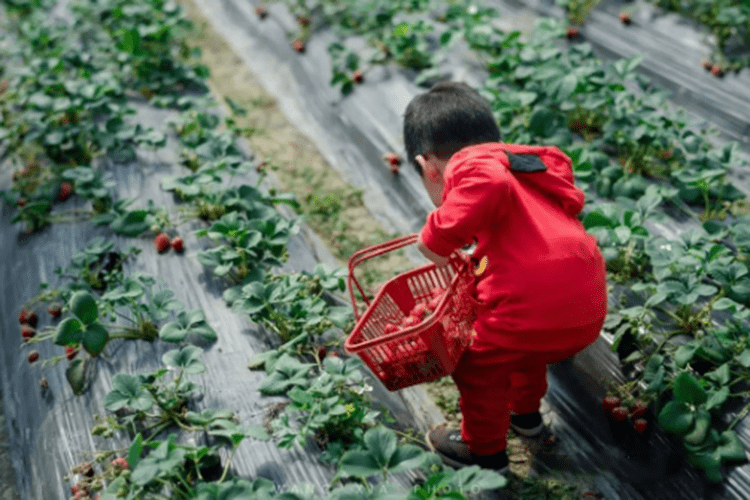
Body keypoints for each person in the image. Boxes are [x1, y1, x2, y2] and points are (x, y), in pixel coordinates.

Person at [403, 81, 608, 473]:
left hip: (531, 310)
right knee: (522, 349)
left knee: (477, 363)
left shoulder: (473, 165)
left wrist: (434, 239)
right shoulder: (528, 167)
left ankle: (486, 453)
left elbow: (486, 185)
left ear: (427, 166)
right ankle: (526, 419)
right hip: (587, 310)